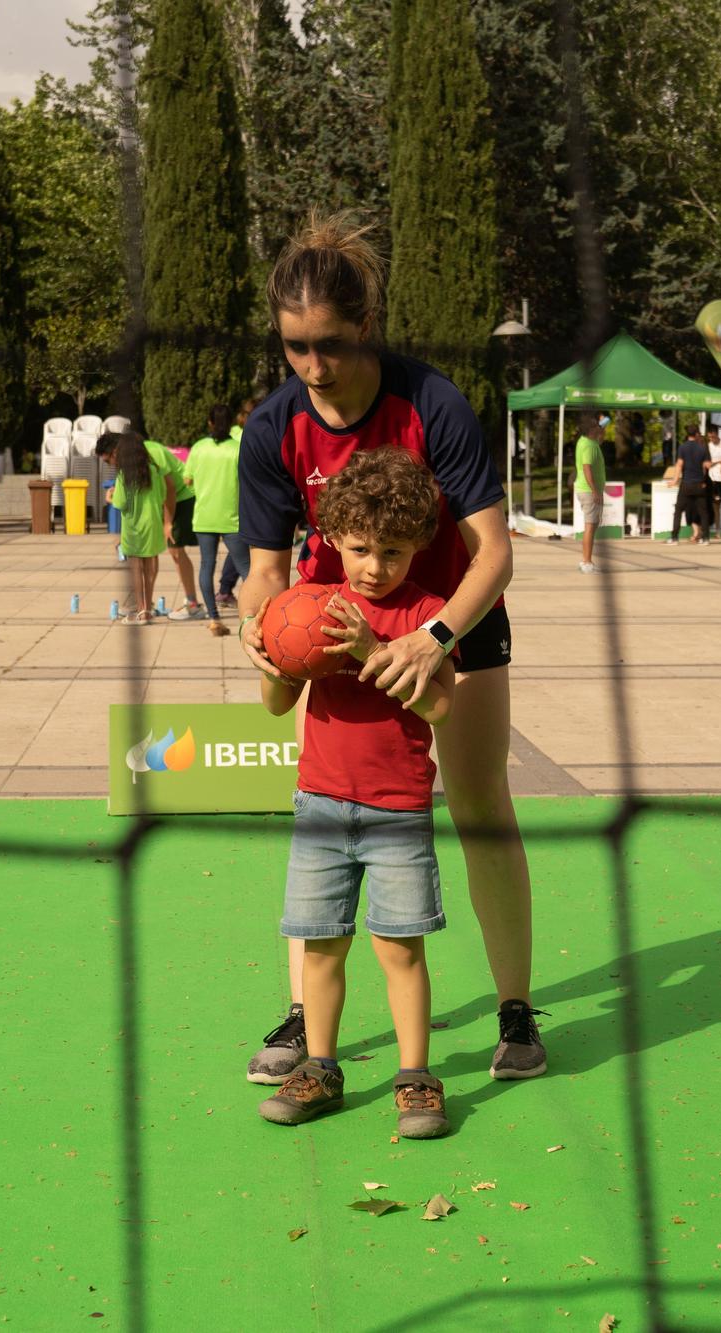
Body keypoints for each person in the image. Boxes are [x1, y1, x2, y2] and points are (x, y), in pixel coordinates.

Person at [238, 211, 543, 1086]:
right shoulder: (275, 429)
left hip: (455, 617)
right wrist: (260, 633)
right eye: (294, 345)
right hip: (339, 630)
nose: (312, 365)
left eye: (328, 343)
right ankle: (307, 1020)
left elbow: (496, 552)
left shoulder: (432, 403)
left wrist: (434, 634)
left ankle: (514, 1009)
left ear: (365, 325)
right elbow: (263, 572)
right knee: (328, 808)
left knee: (480, 797)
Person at [254, 449, 456, 1138]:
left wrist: (374, 649)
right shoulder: (311, 607)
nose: (375, 567)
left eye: (394, 551)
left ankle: (417, 1076)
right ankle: (320, 1067)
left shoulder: (427, 615)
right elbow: (278, 704)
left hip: (397, 807)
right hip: (320, 803)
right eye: (362, 548)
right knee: (321, 946)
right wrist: (274, 661)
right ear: (333, 537)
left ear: (420, 544)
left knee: (400, 948)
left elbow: (439, 708)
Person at [96, 429, 178, 624]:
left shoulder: (124, 475)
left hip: (133, 528)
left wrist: (110, 497)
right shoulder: (154, 470)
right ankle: (147, 610)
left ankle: (140, 609)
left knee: (136, 570)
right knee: (149, 570)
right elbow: (161, 496)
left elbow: (120, 503)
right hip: (153, 526)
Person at [184, 403, 247, 638]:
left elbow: (187, 481)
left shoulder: (199, 448)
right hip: (233, 517)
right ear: (232, 422)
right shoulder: (238, 448)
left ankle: (213, 617)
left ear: (209, 422)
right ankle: (254, 615)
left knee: (206, 566)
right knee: (247, 569)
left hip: (204, 516)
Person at [217, 399, 257, 608]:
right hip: (243, 501)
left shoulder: (232, 434)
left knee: (238, 548)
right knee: (244, 554)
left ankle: (224, 590)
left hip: (230, 502)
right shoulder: (251, 436)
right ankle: (249, 598)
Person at [158, 436, 203, 619]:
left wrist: (167, 523)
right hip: (180, 498)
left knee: (176, 550)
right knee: (175, 551)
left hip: (183, 498)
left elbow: (170, 490)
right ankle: (191, 601)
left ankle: (193, 604)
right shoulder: (151, 450)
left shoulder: (153, 453)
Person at [572, 412, 606, 573]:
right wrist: (595, 490)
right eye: (597, 426)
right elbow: (587, 468)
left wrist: (603, 429)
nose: (599, 428)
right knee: (590, 526)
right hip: (588, 490)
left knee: (592, 525)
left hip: (588, 489)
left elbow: (601, 439)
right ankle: (586, 561)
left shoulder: (589, 442)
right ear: (592, 429)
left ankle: (587, 560)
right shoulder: (587, 445)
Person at [666, 430, 714, 544]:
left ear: (687, 434)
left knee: (678, 510)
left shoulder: (682, 447)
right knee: (703, 512)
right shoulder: (703, 448)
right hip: (699, 484)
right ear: (697, 435)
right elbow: (708, 465)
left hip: (686, 483)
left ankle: (674, 537)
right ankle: (706, 538)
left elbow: (679, 465)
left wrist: (674, 480)